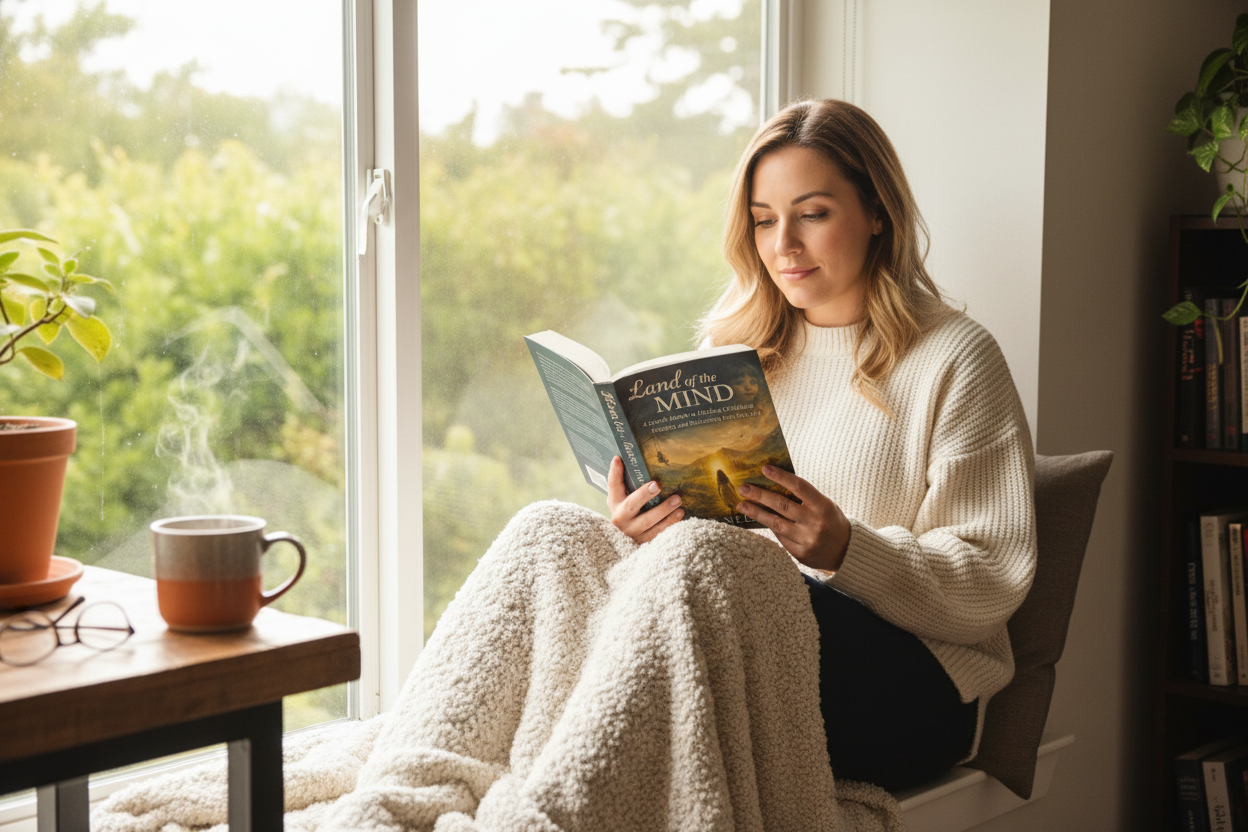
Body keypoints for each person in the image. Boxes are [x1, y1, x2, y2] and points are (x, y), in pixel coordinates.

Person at [606, 98, 1036, 790]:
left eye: (812, 214)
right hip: (749, 649)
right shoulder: (731, 361)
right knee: (550, 533)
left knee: (718, 575)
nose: (784, 247)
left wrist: (847, 550)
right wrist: (641, 530)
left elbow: (992, 578)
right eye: (764, 221)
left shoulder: (955, 358)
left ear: (876, 214)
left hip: (915, 687)